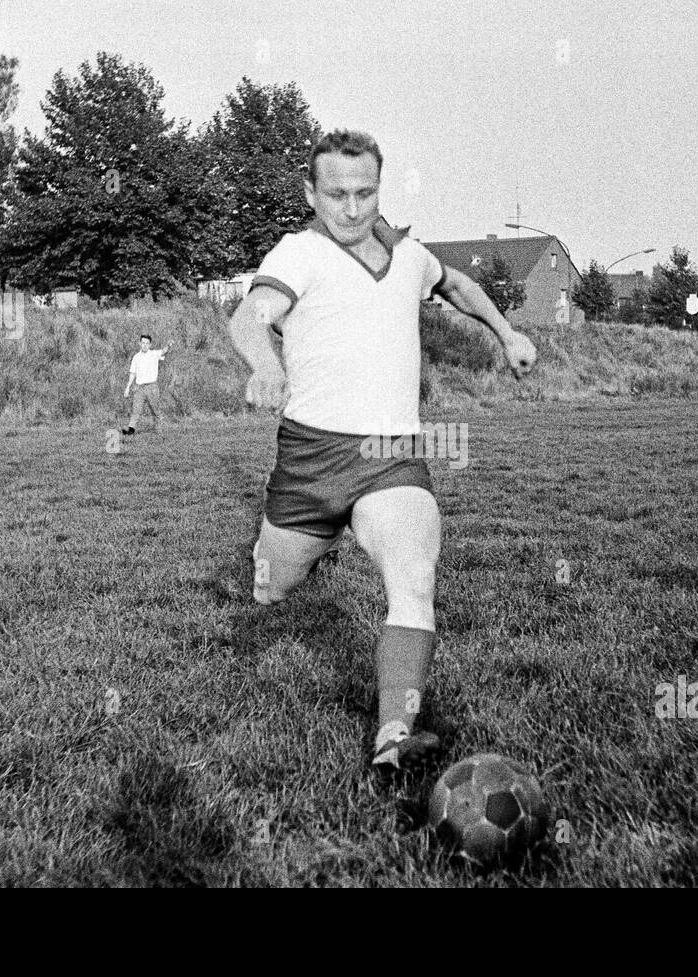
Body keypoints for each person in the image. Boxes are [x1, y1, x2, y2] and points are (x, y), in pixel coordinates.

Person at [228, 129, 537, 772]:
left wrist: (507, 333)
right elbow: (250, 315)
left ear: (379, 189)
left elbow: (456, 285)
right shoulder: (299, 252)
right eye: (336, 194)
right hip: (309, 460)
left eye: (364, 193)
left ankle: (392, 738)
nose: (351, 208)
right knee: (271, 589)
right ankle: (296, 551)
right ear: (311, 193)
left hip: (391, 455)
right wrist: (263, 363)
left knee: (413, 581)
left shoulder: (410, 255)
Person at [122, 334, 168, 435]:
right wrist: (128, 387)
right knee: (136, 409)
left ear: (150, 345)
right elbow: (133, 373)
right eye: (143, 343)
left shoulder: (154, 354)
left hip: (152, 387)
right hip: (139, 388)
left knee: (155, 410)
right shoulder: (136, 357)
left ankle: (159, 430)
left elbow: (164, 351)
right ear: (140, 344)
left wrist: (169, 345)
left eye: (147, 343)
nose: (145, 345)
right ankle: (131, 429)